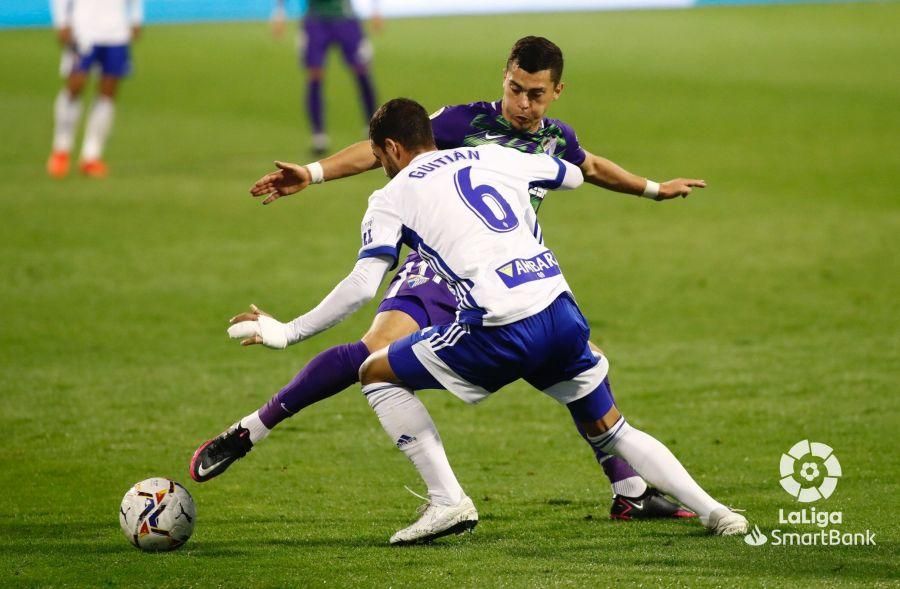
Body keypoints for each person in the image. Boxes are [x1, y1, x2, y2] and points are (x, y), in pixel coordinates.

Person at [191, 37, 702, 521]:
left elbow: (588, 167)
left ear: (556, 92)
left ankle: (629, 490)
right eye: (515, 89)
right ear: (505, 79)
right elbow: (382, 149)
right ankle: (250, 431)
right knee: (374, 355)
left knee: (575, 365)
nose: (523, 104)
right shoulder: (464, 121)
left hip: (513, 270)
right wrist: (314, 172)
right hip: (439, 268)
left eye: (536, 95)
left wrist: (655, 189)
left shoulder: (555, 138)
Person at [46, 0, 143, 179]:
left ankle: (91, 155)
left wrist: (136, 18)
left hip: (117, 32)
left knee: (108, 92)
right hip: (83, 29)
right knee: (76, 85)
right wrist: (61, 22)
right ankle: (61, 149)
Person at [272, 0, 380, 155]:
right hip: (316, 20)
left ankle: (374, 127)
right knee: (314, 74)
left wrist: (375, 9)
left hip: (346, 18)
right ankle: (318, 135)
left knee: (361, 70)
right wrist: (279, 13)